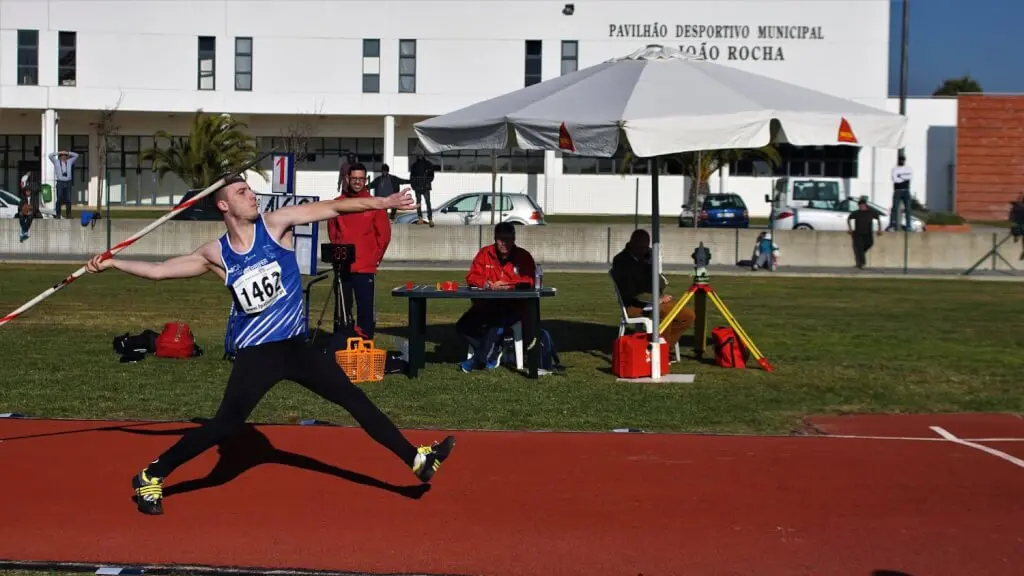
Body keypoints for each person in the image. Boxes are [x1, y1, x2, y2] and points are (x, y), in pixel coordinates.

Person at [85, 174, 454, 516]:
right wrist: (113, 263)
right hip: (257, 355)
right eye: (241, 193)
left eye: (250, 190)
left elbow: (334, 207)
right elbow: (159, 271)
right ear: (223, 206)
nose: (251, 196)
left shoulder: (276, 225)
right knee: (224, 427)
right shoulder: (216, 254)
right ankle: (152, 474)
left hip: (296, 347)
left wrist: (383, 201)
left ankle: (416, 459)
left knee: (353, 398)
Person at [457, 222, 535, 372]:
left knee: (495, 324)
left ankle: (478, 360)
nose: (504, 243)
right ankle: (494, 348)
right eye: (500, 239)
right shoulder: (485, 253)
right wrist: (484, 283)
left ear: (514, 239)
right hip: (486, 304)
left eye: (508, 239)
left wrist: (508, 285)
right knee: (462, 326)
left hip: (513, 307)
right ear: (495, 239)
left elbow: (530, 280)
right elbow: (471, 276)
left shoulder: (523, 256)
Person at [327, 162, 392, 338]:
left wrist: (374, 258)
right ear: (347, 179)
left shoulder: (375, 204)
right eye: (354, 178)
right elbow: (333, 233)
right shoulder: (338, 204)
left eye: (360, 179)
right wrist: (339, 256)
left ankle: (365, 348)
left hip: (365, 268)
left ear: (366, 180)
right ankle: (341, 346)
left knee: (365, 311)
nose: (357, 182)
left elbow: (383, 236)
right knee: (342, 310)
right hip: (343, 267)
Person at [610, 229, 695, 348]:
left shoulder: (647, 258)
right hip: (634, 305)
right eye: (641, 247)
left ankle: (664, 345)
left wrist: (655, 267)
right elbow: (630, 291)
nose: (644, 250)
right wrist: (656, 299)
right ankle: (660, 349)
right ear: (632, 244)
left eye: (646, 247)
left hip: (654, 300)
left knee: (688, 315)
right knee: (665, 313)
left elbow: (659, 283)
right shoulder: (621, 261)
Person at [847, 196, 882, 269]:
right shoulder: (856, 213)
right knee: (860, 247)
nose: (861, 207)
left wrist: (879, 229)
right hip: (858, 234)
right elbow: (849, 219)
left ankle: (860, 258)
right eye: (860, 206)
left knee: (869, 244)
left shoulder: (871, 212)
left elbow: (878, 219)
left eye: (862, 205)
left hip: (868, 233)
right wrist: (850, 229)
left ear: (865, 205)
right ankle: (862, 263)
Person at [409, 153, 435, 226]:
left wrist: (427, 182)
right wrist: (413, 186)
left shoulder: (428, 164)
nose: (420, 156)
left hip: (426, 187)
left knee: (428, 203)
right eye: (418, 155)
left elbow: (431, 175)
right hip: (417, 187)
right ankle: (420, 218)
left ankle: (430, 219)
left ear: (423, 156)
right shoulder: (415, 165)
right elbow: (412, 177)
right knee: (418, 203)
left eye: (421, 155)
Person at [889, 156, 913, 231]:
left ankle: (908, 225)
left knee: (908, 209)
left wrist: (900, 176)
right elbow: (895, 179)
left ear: (904, 160)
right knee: (895, 208)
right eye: (900, 160)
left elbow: (910, 177)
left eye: (902, 160)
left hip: (906, 190)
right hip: (897, 190)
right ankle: (892, 225)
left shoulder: (908, 168)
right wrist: (904, 177)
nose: (901, 161)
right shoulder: (895, 169)